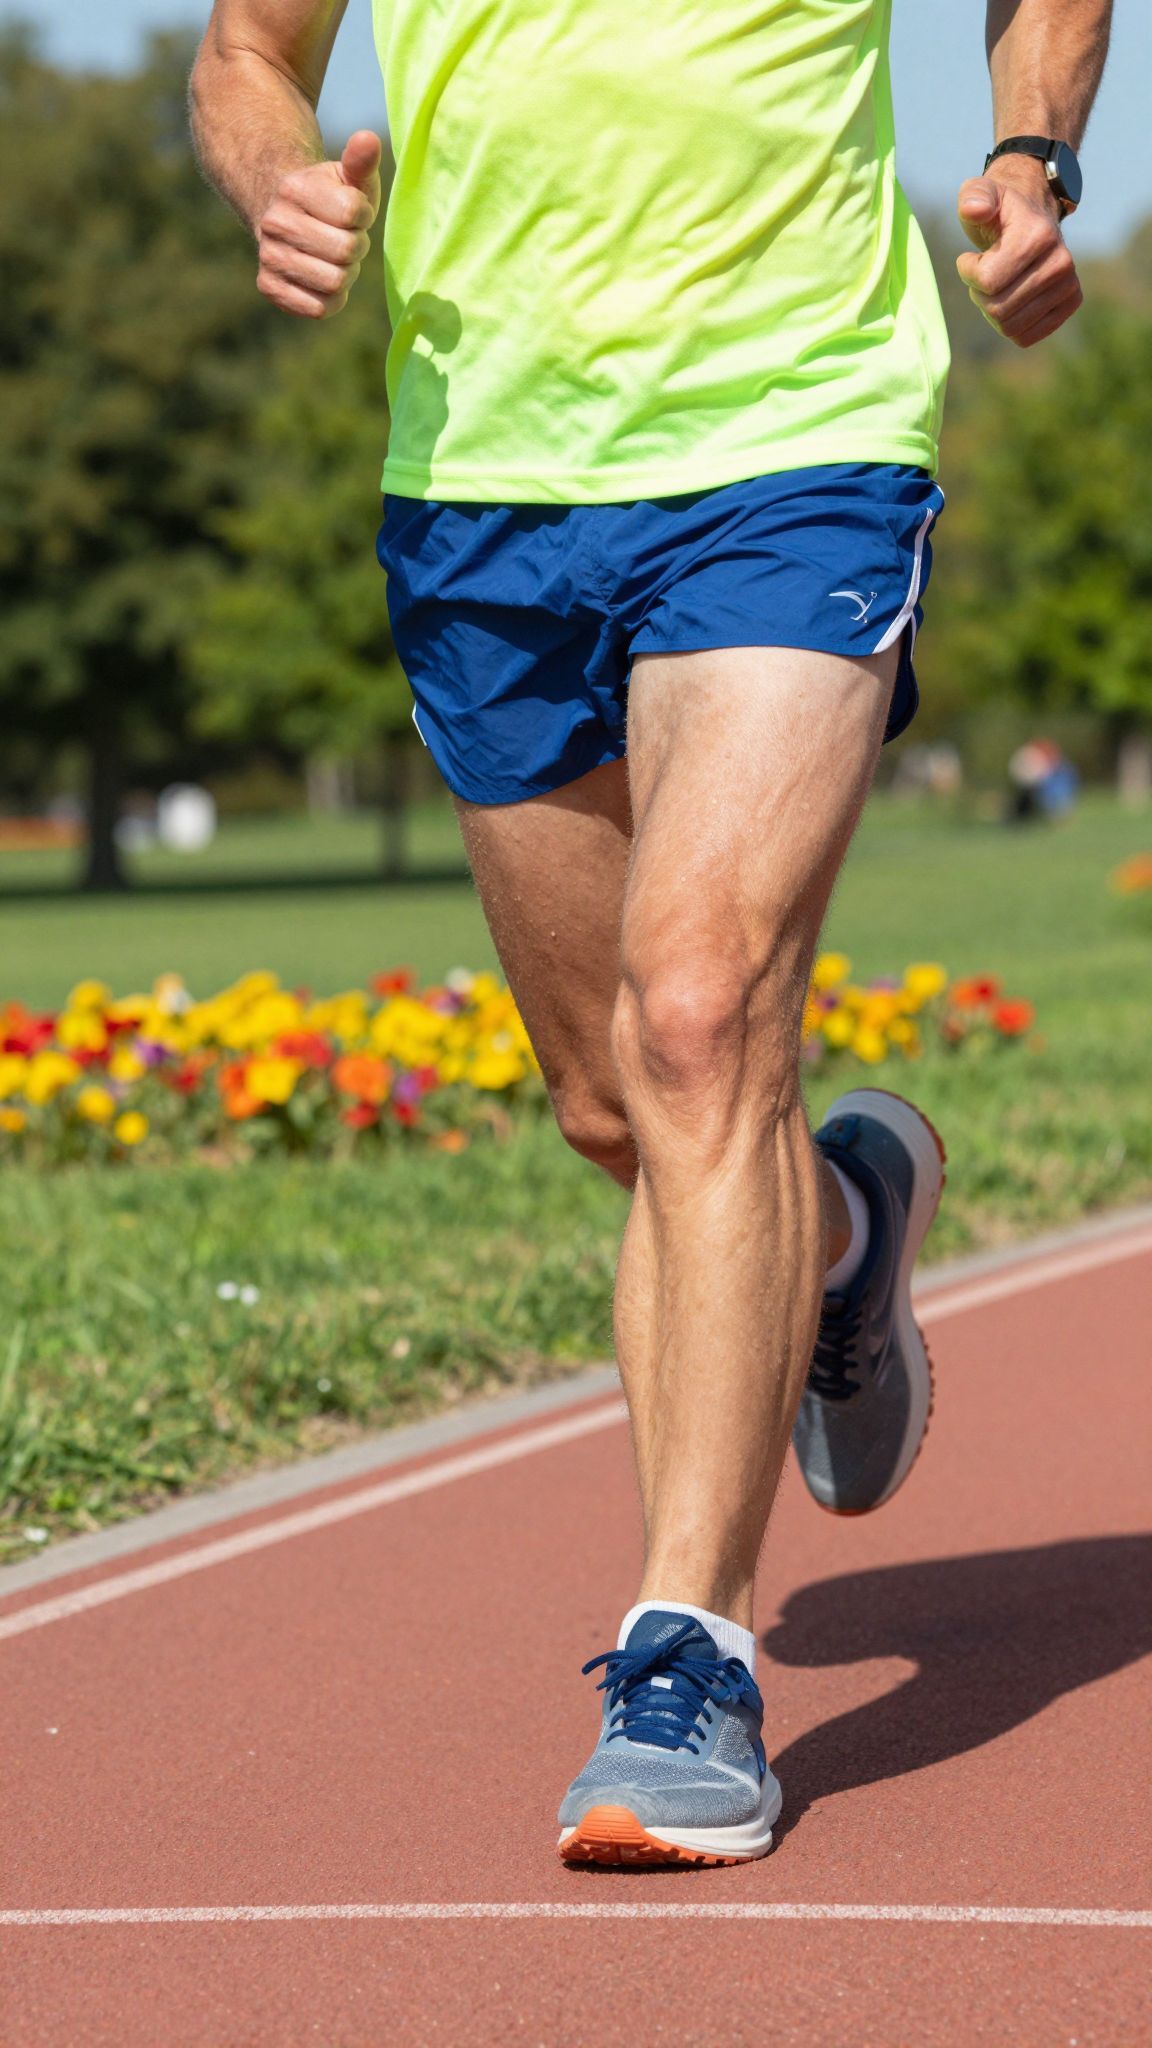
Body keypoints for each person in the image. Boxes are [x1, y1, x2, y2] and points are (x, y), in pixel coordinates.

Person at [192, 0, 1112, 1867]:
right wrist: (271, 174)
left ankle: (684, 1660)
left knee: (699, 1021)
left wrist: (1033, 149)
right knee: (618, 1109)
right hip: (487, 480)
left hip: (801, 436)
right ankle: (842, 1227)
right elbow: (243, 44)